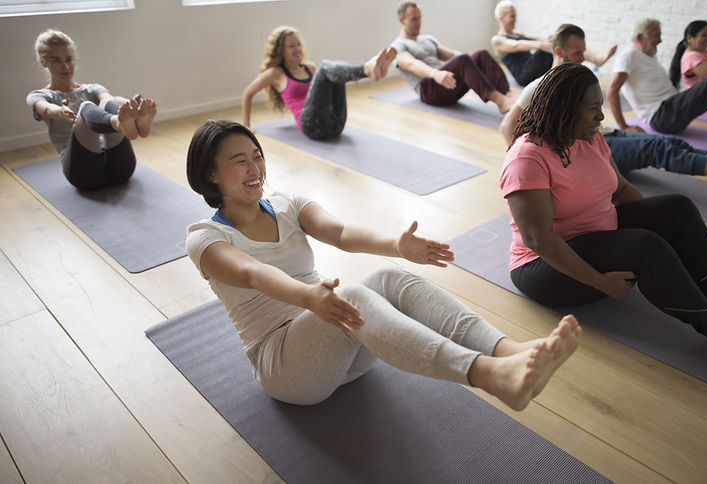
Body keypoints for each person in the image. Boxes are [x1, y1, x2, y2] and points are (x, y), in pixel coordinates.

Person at [184, 119, 581, 410]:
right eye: (240, 161)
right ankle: (488, 375)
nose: (254, 169)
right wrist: (309, 297)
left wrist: (397, 245)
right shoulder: (205, 238)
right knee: (350, 295)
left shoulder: (288, 204)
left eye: (257, 156)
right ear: (210, 174)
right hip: (287, 367)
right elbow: (253, 273)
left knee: (389, 277)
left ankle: (509, 351)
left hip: (343, 347)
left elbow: (339, 233)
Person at [501, 63, 707, 371]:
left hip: (597, 238)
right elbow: (538, 240)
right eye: (593, 108)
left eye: (600, 106)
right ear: (564, 110)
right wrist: (601, 282)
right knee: (644, 246)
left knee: (676, 207)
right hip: (545, 267)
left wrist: (665, 229)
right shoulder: (527, 157)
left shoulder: (590, 138)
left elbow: (620, 189)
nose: (601, 116)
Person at [499, 24, 707, 186]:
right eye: (577, 53)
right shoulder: (542, 84)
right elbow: (508, 128)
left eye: (583, 52)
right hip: (590, 148)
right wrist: (547, 169)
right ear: (559, 50)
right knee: (660, 149)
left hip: (605, 137)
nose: (581, 57)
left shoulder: (574, 76)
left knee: (670, 143)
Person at [26, 29, 157, 190]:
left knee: (109, 103)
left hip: (121, 169)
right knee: (86, 107)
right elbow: (45, 109)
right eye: (56, 61)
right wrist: (60, 111)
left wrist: (132, 106)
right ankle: (119, 123)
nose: (65, 66)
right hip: (83, 174)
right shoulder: (40, 95)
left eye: (69, 59)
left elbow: (109, 100)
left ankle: (135, 122)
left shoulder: (92, 89)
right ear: (43, 62)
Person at [241, 26, 397, 140]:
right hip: (312, 126)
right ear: (280, 50)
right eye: (291, 46)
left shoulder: (309, 68)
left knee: (333, 72)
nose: (297, 49)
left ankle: (371, 67)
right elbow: (248, 93)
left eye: (298, 44)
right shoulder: (275, 73)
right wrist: (246, 126)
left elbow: (325, 91)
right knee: (325, 67)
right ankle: (367, 67)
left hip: (335, 124)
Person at [393, 1, 516, 113]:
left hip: (447, 82)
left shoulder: (427, 39)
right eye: (414, 19)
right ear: (401, 20)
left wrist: (472, 63)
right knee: (462, 60)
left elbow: (451, 55)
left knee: (480, 54)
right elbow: (411, 64)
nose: (419, 23)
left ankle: (509, 96)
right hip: (430, 91)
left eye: (419, 18)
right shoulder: (398, 46)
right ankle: (501, 101)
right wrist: (436, 74)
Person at [491, 1, 616, 86]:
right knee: (552, 44)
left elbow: (538, 39)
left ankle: (594, 57)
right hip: (524, 76)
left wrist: (552, 41)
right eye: (512, 16)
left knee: (555, 38)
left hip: (534, 67)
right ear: (501, 18)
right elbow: (517, 45)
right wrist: (545, 45)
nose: (515, 19)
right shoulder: (498, 40)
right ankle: (595, 59)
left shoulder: (517, 32)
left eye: (515, 16)